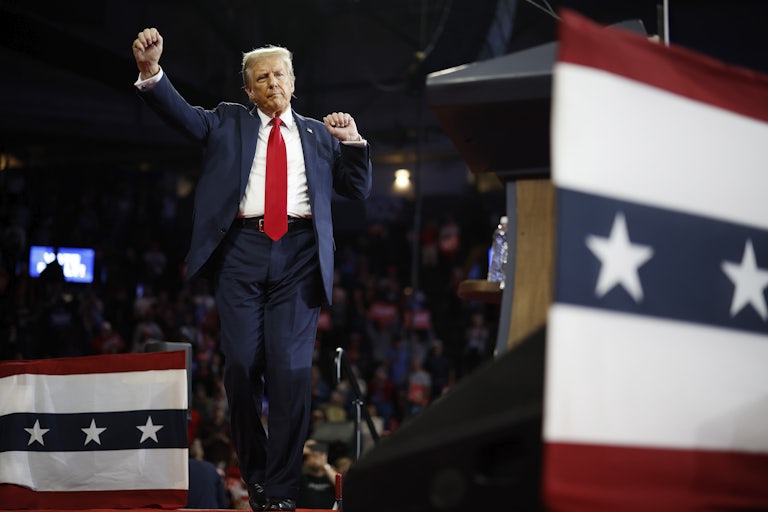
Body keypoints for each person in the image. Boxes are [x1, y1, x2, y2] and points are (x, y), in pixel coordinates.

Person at [131, 28, 372, 512]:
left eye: (280, 74)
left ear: (293, 81)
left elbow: (358, 190)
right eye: (261, 78)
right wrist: (150, 73)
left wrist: (353, 141)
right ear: (248, 89)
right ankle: (258, 476)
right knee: (241, 369)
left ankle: (280, 491)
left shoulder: (318, 136)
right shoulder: (226, 122)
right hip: (241, 251)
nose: (272, 83)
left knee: (289, 373)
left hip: (301, 254)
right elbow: (181, 116)